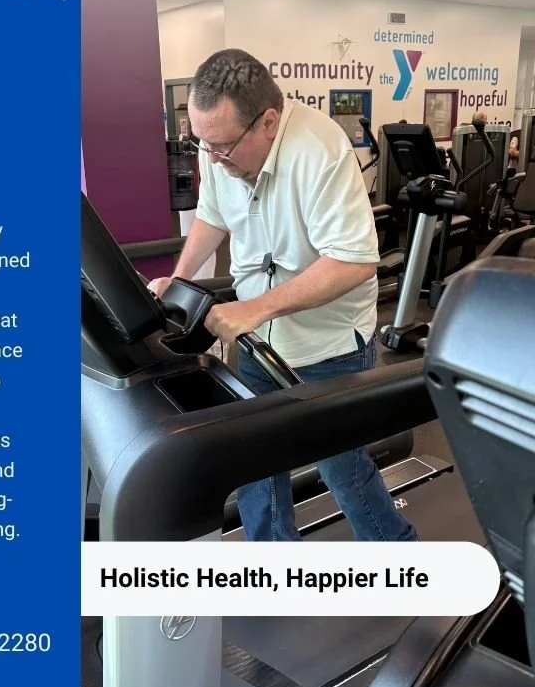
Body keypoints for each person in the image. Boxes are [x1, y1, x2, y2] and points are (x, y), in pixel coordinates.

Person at [148, 48, 418, 543]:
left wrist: (254, 308)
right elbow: (212, 215)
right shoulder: (218, 152)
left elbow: (355, 261)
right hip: (258, 342)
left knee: (341, 466)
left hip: (327, 344)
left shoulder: (319, 150)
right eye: (203, 144)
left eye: (223, 146)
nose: (212, 159)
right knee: (255, 460)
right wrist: (178, 282)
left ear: (268, 122)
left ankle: (397, 552)